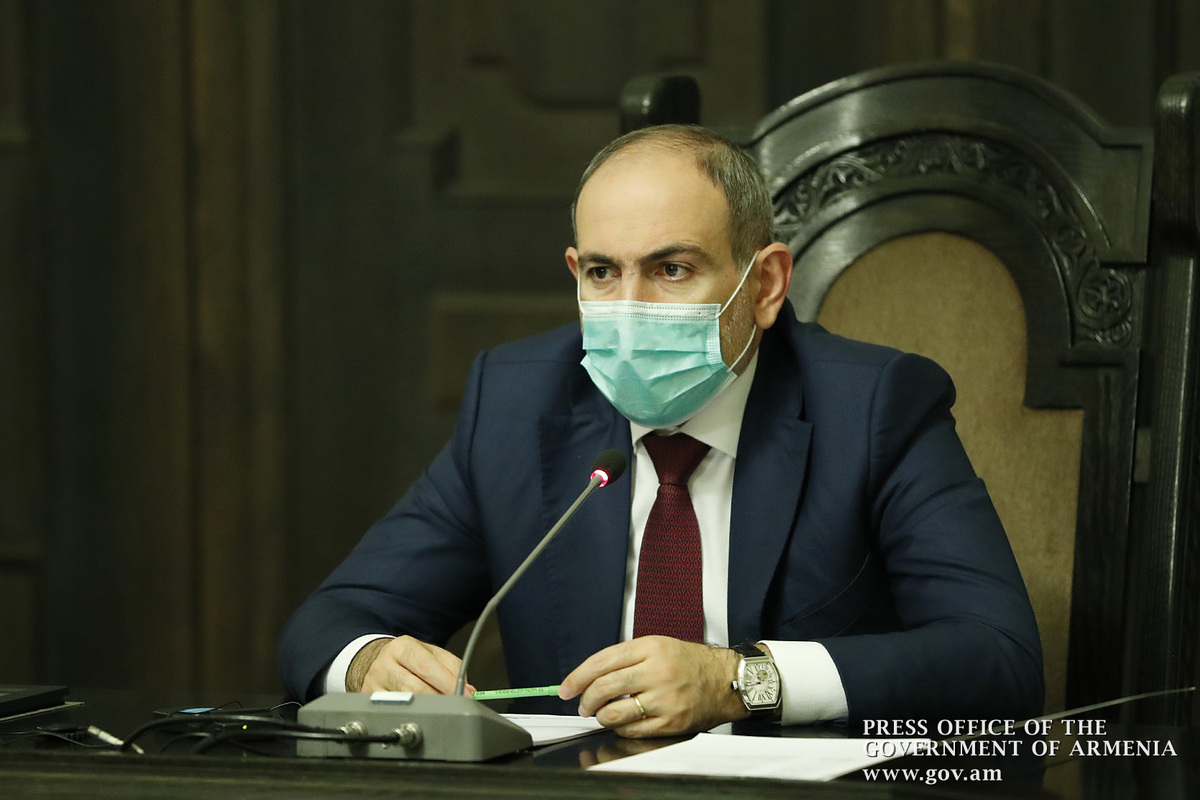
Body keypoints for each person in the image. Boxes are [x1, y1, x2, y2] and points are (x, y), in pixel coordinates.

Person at [278, 124, 1044, 737]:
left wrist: (742, 680)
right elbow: (330, 621)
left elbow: (998, 657)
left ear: (765, 284)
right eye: (603, 273)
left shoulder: (873, 406)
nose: (629, 307)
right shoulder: (516, 404)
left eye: (672, 270)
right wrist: (370, 661)